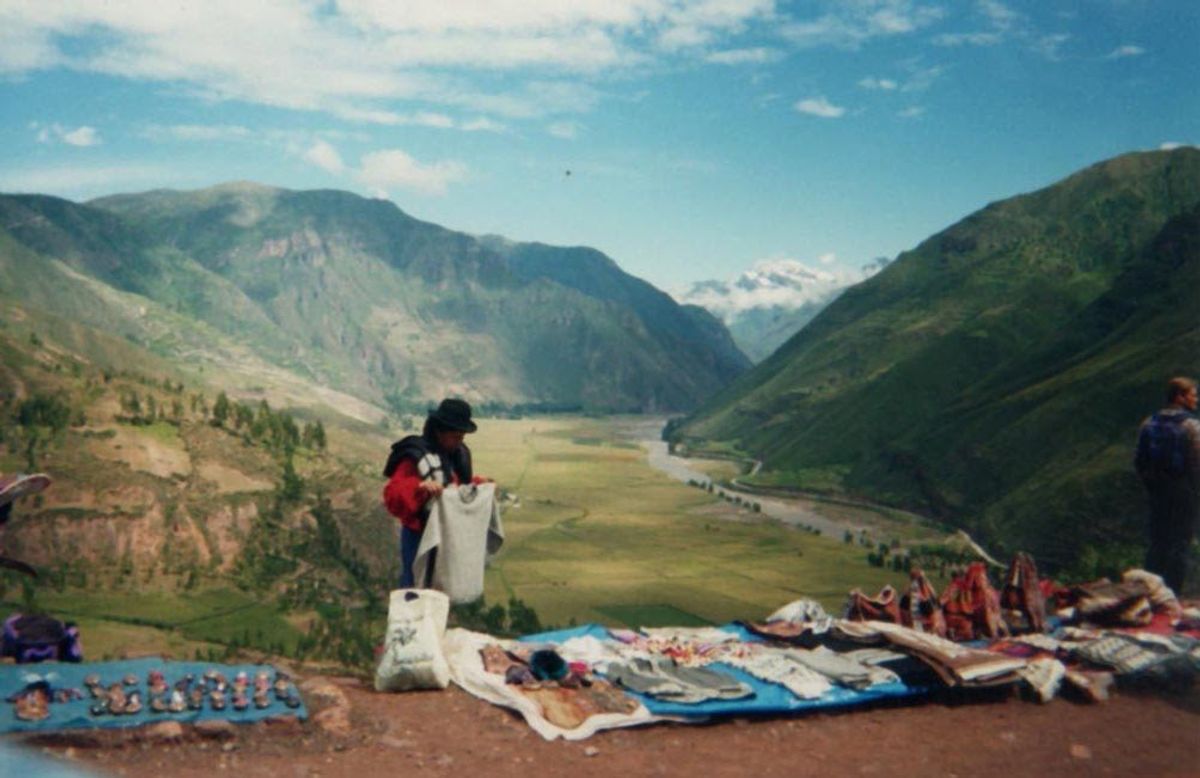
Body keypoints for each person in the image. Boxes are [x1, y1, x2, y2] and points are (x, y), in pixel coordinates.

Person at [382, 398, 490, 588]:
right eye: (456, 436)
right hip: (418, 536)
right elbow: (393, 494)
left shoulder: (457, 454)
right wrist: (420, 488)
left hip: (448, 535)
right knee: (415, 584)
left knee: (441, 587)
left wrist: (479, 485)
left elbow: (457, 485)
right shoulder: (415, 456)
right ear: (440, 432)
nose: (460, 441)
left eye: (462, 437)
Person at [1135, 377, 1200, 594]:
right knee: (1180, 544)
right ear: (1180, 397)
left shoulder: (1148, 423)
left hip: (1157, 491)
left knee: (1158, 543)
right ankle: (1173, 594)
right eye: (1193, 394)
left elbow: (1140, 461)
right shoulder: (1191, 426)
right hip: (1183, 491)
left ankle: (1150, 592)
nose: (1196, 399)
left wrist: (1151, 485)